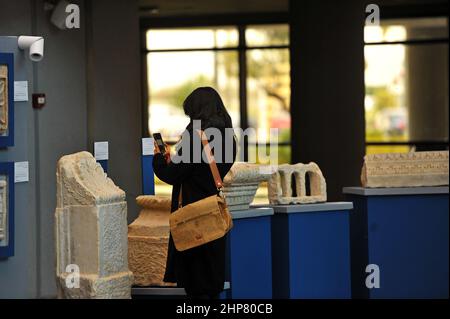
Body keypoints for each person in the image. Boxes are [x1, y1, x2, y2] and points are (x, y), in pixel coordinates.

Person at [152, 87, 237, 299]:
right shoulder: (229, 136)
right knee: (211, 281)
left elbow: (173, 174)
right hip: (213, 214)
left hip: (193, 216)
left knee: (196, 284)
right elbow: (204, 171)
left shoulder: (197, 137)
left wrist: (159, 159)